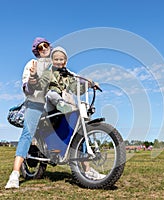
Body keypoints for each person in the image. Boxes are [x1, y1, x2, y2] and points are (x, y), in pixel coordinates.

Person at [29, 46, 106, 180]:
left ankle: (87, 170)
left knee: (79, 130)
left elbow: (75, 88)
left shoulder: (68, 75)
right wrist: (34, 75)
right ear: (52, 60)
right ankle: (62, 104)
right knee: (52, 94)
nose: (59, 61)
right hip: (50, 104)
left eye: (61, 59)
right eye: (56, 59)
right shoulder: (49, 72)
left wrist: (88, 85)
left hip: (62, 108)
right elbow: (41, 85)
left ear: (65, 61)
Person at [5, 37, 53, 189]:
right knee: (28, 133)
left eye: (46, 45)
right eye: (40, 47)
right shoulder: (32, 64)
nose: (44, 48)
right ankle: (15, 174)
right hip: (35, 103)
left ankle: (86, 169)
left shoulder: (55, 65)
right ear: (37, 51)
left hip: (52, 104)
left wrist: (87, 82)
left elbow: (69, 77)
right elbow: (26, 88)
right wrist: (32, 79)